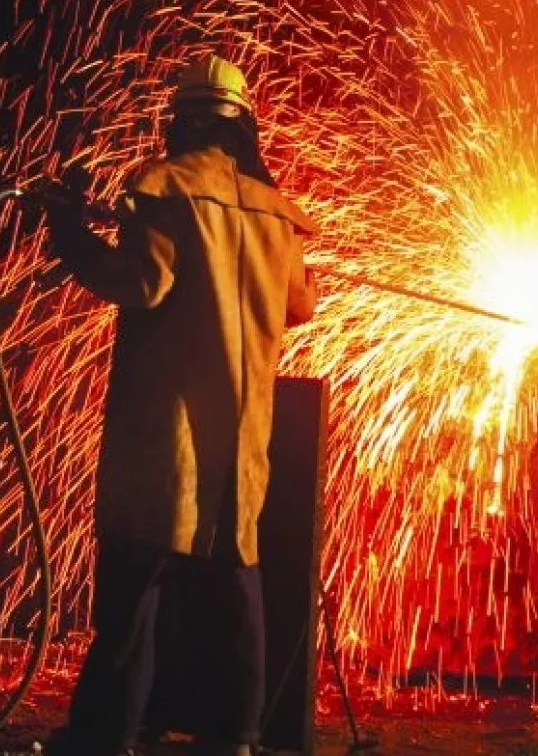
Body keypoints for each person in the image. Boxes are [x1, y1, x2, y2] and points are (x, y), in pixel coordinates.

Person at [43, 54, 319, 756]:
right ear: (243, 126)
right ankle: (235, 738)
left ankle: (103, 737)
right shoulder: (277, 212)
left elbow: (140, 283)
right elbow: (301, 306)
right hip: (241, 443)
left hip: (167, 439)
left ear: (183, 123)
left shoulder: (164, 186)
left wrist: (70, 235)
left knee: (131, 599)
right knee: (233, 590)